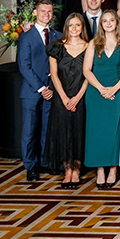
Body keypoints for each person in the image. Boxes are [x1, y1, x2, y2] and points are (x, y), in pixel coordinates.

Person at [82, 10, 120, 189]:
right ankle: (100, 169)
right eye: (105, 21)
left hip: (117, 91)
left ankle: (113, 169)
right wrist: (101, 89)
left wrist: (114, 88)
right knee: (96, 131)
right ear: (101, 24)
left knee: (115, 130)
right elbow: (86, 70)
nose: (108, 23)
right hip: (96, 92)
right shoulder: (93, 43)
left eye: (112, 20)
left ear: (117, 23)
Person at [43, 14, 89, 188]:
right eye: (71, 25)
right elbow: (54, 74)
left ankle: (76, 170)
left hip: (81, 96)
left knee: (78, 130)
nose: (74, 29)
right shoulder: (56, 47)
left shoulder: (89, 47)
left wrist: (77, 98)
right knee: (63, 131)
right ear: (66, 27)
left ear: (82, 27)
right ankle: (67, 170)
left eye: (78, 25)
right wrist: (63, 97)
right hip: (61, 96)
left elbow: (89, 74)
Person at [18, 0, 62, 181]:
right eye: (43, 11)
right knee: (29, 131)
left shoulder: (58, 36)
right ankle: (31, 166)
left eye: (50, 11)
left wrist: (52, 87)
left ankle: (46, 162)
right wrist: (42, 88)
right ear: (35, 12)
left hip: (52, 90)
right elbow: (24, 66)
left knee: (48, 129)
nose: (47, 14)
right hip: (32, 91)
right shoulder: (25, 37)